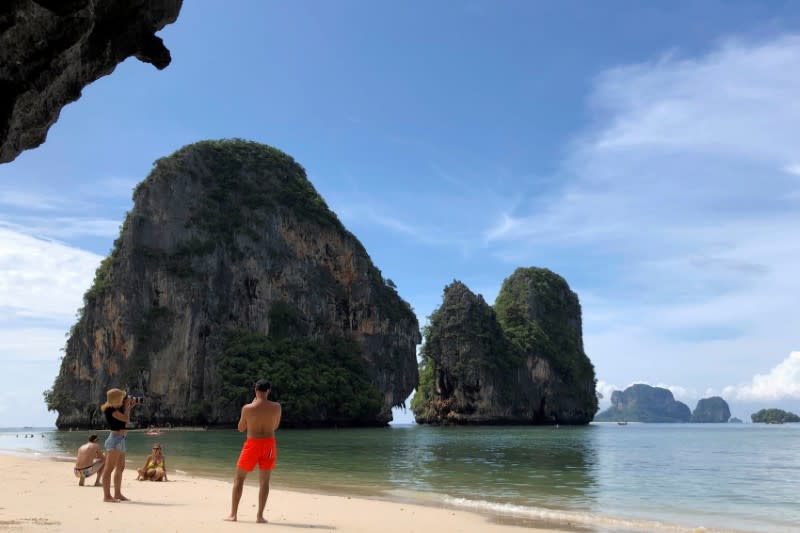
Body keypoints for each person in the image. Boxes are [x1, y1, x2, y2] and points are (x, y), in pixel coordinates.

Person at [225, 379, 281, 523]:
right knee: (264, 482)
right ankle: (259, 516)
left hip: (252, 445)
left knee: (239, 479)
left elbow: (240, 428)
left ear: (255, 390)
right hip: (269, 445)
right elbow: (275, 426)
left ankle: (233, 515)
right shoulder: (276, 407)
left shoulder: (247, 408)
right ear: (268, 391)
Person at [99, 388, 138, 502]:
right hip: (115, 440)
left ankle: (117, 493)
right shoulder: (110, 410)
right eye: (122, 397)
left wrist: (129, 406)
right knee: (109, 469)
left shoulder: (116, 408)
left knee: (120, 468)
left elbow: (125, 420)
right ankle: (107, 496)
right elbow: (126, 419)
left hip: (121, 439)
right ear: (116, 398)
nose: (124, 399)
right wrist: (127, 406)